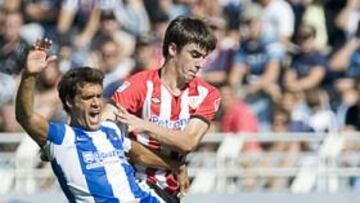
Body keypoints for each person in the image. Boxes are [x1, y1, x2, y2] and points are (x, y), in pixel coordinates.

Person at [15, 38, 186, 202]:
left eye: (98, 96)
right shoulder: (61, 136)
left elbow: (137, 152)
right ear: (69, 101)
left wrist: (174, 166)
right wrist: (29, 76)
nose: (96, 103)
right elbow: (26, 117)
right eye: (88, 97)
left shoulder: (110, 130)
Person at [105, 16, 220, 202]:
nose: (200, 64)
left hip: (170, 190)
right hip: (134, 182)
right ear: (172, 49)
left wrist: (145, 126)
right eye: (195, 55)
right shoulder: (139, 85)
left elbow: (188, 142)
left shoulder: (207, 94)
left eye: (204, 57)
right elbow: (103, 125)